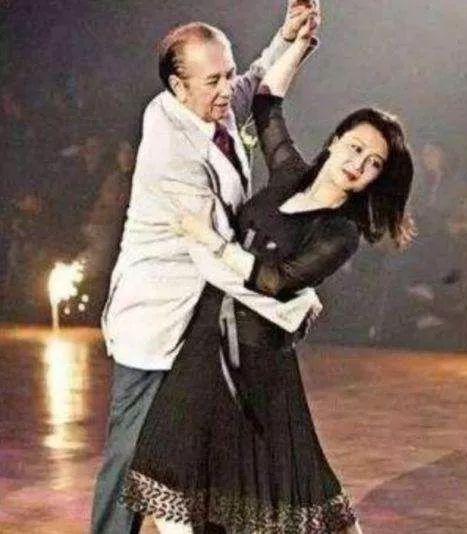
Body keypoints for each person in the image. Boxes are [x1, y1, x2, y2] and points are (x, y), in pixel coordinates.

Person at [121, 13, 414, 534]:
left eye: (373, 163)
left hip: (260, 363)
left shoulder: (339, 232)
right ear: (336, 140)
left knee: (299, 494)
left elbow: (277, 281)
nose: (358, 163)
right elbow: (265, 104)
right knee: (170, 485)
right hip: (204, 345)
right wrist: (299, 46)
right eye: (355, 147)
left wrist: (213, 241)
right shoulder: (288, 175)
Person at [91, 3, 322, 533]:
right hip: (158, 318)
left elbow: (252, 84)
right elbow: (212, 255)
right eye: (213, 80)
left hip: (204, 317)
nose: (226, 89)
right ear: (178, 86)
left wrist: (288, 37)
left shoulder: (207, 106)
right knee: (132, 454)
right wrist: (290, 300)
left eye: (226, 72)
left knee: (202, 448)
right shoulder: (170, 146)